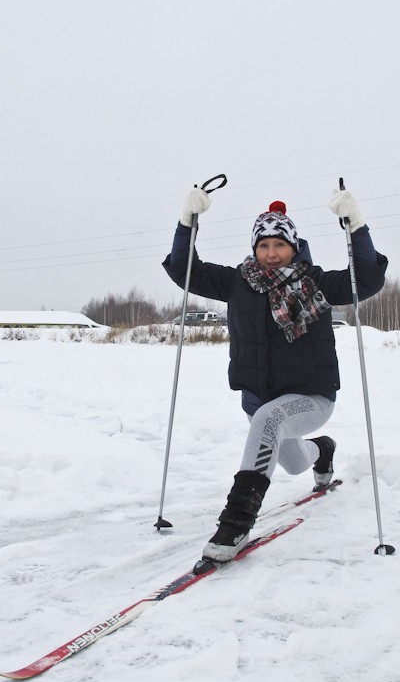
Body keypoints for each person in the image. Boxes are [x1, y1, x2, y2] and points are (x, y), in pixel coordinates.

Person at [163, 186, 388, 563]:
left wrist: (357, 227)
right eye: (263, 245)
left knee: (270, 420)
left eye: (279, 245)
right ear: (254, 248)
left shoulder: (314, 281)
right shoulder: (237, 281)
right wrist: (187, 222)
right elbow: (186, 271)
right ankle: (324, 450)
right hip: (258, 398)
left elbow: (365, 280)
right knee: (295, 462)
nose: (271, 253)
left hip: (311, 397)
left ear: (293, 246)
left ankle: (235, 524)